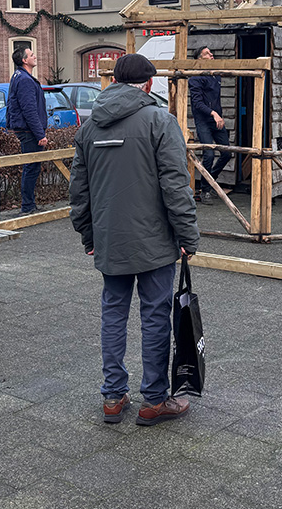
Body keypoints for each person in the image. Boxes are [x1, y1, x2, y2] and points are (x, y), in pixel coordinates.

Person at [69, 53, 201, 426]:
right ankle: (155, 399)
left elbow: (78, 192)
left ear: (113, 82)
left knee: (113, 312)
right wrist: (188, 235)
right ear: (147, 84)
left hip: (110, 238)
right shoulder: (160, 120)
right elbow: (176, 186)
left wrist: (88, 234)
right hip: (155, 240)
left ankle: (113, 396)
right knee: (155, 315)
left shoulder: (88, 128)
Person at [6, 47, 48, 214]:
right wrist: (40, 134)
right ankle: (28, 206)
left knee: (31, 167)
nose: (35, 56)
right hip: (29, 131)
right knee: (31, 168)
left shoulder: (19, 76)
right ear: (24, 60)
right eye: (31, 55)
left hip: (26, 129)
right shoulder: (24, 80)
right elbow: (29, 110)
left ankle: (29, 204)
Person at [189, 46, 231, 200]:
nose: (211, 54)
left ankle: (210, 181)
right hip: (204, 121)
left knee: (227, 153)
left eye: (210, 52)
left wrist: (219, 115)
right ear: (199, 58)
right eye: (207, 53)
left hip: (216, 120)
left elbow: (216, 100)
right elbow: (198, 103)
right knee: (209, 154)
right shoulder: (195, 78)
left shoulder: (215, 75)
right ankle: (205, 190)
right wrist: (213, 114)